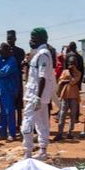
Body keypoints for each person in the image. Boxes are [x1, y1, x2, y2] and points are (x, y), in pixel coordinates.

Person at [21, 27, 56, 160]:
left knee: (28, 122)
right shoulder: (40, 53)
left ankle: (28, 152)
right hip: (39, 96)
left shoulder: (42, 54)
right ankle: (42, 151)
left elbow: (42, 77)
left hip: (35, 96)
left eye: (33, 38)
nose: (30, 41)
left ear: (40, 39)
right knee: (42, 123)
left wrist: (37, 97)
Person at [0, 42, 19, 141]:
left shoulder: (12, 60)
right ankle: (2, 133)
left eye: (1, 51)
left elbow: (2, 72)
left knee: (10, 112)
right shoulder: (0, 59)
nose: (0, 53)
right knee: (2, 112)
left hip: (9, 89)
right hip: (1, 89)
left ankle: (12, 134)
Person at [54, 54, 82, 141]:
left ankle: (70, 132)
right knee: (62, 114)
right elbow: (60, 81)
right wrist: (65, 80)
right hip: (65, 95)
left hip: (74, 96)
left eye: (73, 63)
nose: (71, 65)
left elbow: (73, 81)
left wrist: (67, 79)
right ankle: (60, 132)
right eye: (70, 63)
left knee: (73, 115)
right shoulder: (64, 71)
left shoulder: (78, 73)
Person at [6, 30, 26, 131]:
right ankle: (11, 124)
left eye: (11, 38)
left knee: (18, 103)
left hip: (17, 78)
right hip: (8, 79)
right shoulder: (4, 51)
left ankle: (19, 123)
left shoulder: (20, 51)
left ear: (15, 39)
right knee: (9, 103)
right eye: (8, 38)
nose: (10, 40)